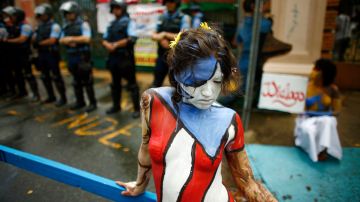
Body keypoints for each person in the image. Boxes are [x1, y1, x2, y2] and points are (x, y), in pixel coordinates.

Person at [116, 25, 277, 202]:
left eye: (217, 81)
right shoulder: (153, 101)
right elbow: (146, 147)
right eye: (197, 81)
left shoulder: (229, 121)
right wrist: (140, 185)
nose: (208, 93)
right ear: (177, 73)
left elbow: (247, 182)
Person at [294, 59, 342, 162]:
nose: (313, 71)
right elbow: (299, 108)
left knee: (328, 121)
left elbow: (337, 111)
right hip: (307, 119)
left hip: (324, 119)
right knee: (313, 128)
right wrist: (308, 113)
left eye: (316, 69)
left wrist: (321, 114)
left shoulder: (333, 89)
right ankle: (315, 150)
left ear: (325, 73)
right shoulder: (306, 86)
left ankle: (323, 150)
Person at [102, 0, 140, 118]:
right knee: (115, 83)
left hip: (125, 58)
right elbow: (104, 38)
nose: (115, 10)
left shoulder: (129, 22)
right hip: (113, 58)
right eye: (114, 8)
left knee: (132, 84)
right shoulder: (111, 24)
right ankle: (116, 106)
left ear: (123, 9)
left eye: (118, 8)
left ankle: (137, 109)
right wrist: (107, 44)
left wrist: (115, 45)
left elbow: (132, 38)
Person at [59, 1, 97, 112]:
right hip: (72, 57)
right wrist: (68, 40)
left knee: (87, 81)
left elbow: (86, 38)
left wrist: (70, 39)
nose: (68, 16)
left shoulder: (83, 24)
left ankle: (92, 103)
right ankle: (80, 102)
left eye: (70, 13)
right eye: (66, 14)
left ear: (75, 13)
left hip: (82, 57)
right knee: (76, 81)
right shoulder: (65, 25)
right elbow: (61, 39)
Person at [2, 6, 40, 101]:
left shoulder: (25, 26)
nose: (10, 18)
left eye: (12, 16)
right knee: (17, 74)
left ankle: (36, 94)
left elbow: (22, 39)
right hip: (14, 55)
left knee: (28, 74)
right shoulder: (11, 27)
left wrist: (7, 41)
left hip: (24, 54)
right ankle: (22, 92)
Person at [151, 0, 191, 87]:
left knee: (177, 86)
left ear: (176, 3)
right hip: (162, 56)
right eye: (167, 2)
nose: (169, 4)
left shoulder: (184, 17)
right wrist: (161, 39)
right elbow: (153, 35)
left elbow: (184, 36)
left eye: (171, 2)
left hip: (177, 58)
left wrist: (164, 34)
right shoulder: (162, 17)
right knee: (156, 84)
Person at [33, 3, 67, 106]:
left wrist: (39, 43)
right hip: (42, 54)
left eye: (42, 15)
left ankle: (63, 98)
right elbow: (34, 38)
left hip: (51, 54)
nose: (41, 17)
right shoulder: (39, 26)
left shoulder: (54, 26)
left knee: (56, 76)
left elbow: (52, 40)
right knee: (44, 76)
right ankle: (51, 96)